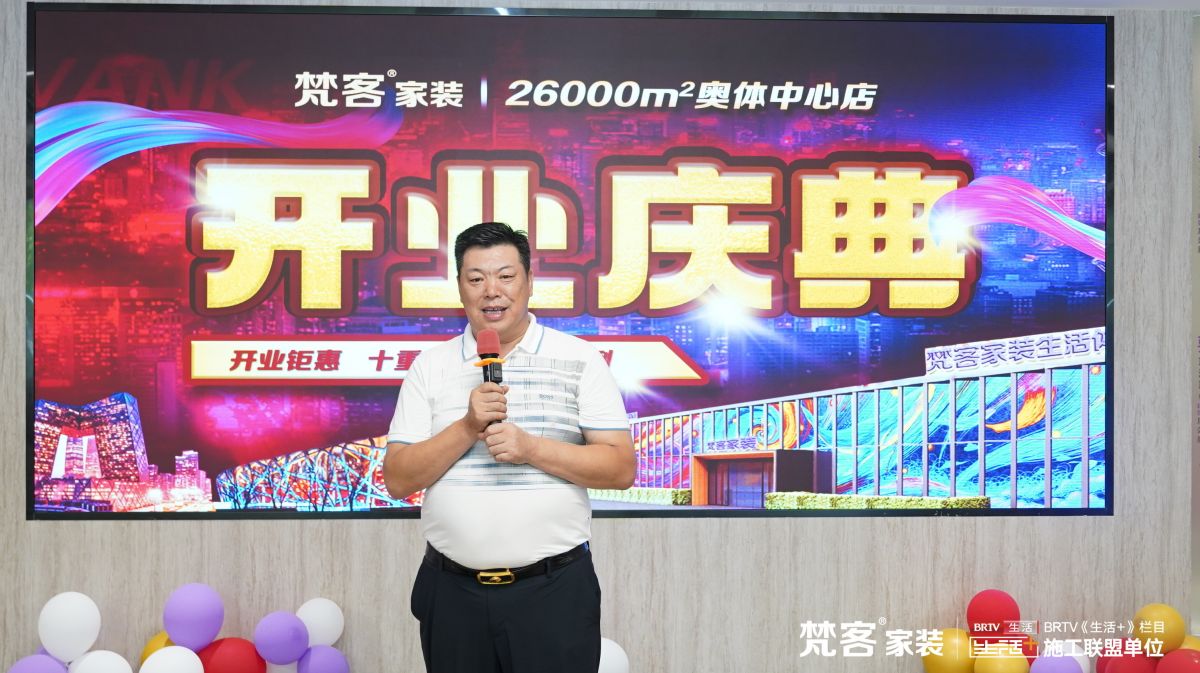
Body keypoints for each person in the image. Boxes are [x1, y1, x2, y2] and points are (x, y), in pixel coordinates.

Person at [383, 221, 635, 673]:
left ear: (529, 281)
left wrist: (531, 448)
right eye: (476, 278)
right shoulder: (430, 366)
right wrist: (467, 427)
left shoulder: (579, 359)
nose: (491, 291)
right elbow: (398, 479)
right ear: (460, 287)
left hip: (553, 593)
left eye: (505, 276)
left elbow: (620, 468)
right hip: (452, 593)